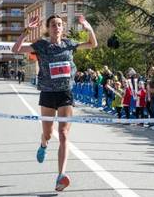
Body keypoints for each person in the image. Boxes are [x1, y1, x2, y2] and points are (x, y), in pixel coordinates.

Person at [11, 14, 98, 191]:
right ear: (48, 28)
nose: (56, 27)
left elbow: (92, 44)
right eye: (53, 25)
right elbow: (16, 49)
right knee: (49, 133)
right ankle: (43, 143)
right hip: (48, 94)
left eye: (59, 25)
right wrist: (26, 31)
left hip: (65, 93)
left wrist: (89, 29)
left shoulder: (69, 44)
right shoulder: (41, 45)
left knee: (64, 134)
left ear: (62, 28)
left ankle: (61, 175)